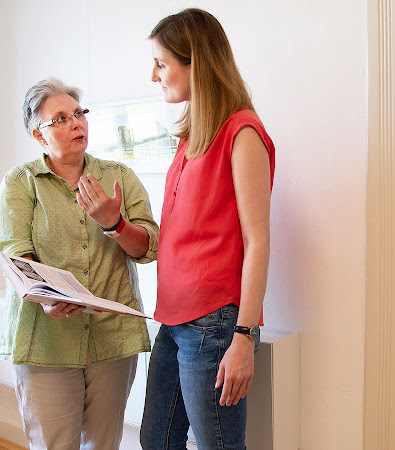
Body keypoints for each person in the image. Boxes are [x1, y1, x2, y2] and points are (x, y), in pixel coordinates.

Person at [0, 77, 159, 449]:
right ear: (38, 135)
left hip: (112, 337)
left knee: (103, 444)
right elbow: (15, 251)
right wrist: (46, 296)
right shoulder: (21, 182)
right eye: (61, 118)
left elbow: (149, 247)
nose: (76, 123)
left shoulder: (119, 178)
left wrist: (115, 223)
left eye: (79, 114)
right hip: (45, 341)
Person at [140, 8, 275, 450]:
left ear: (195, 61)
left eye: (162, 63)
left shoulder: (242, 133)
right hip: (174, 318)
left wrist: (244, 336)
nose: (154, 74)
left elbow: (257, 241)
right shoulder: (189, 137)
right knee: (156, 442)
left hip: (215, 323)